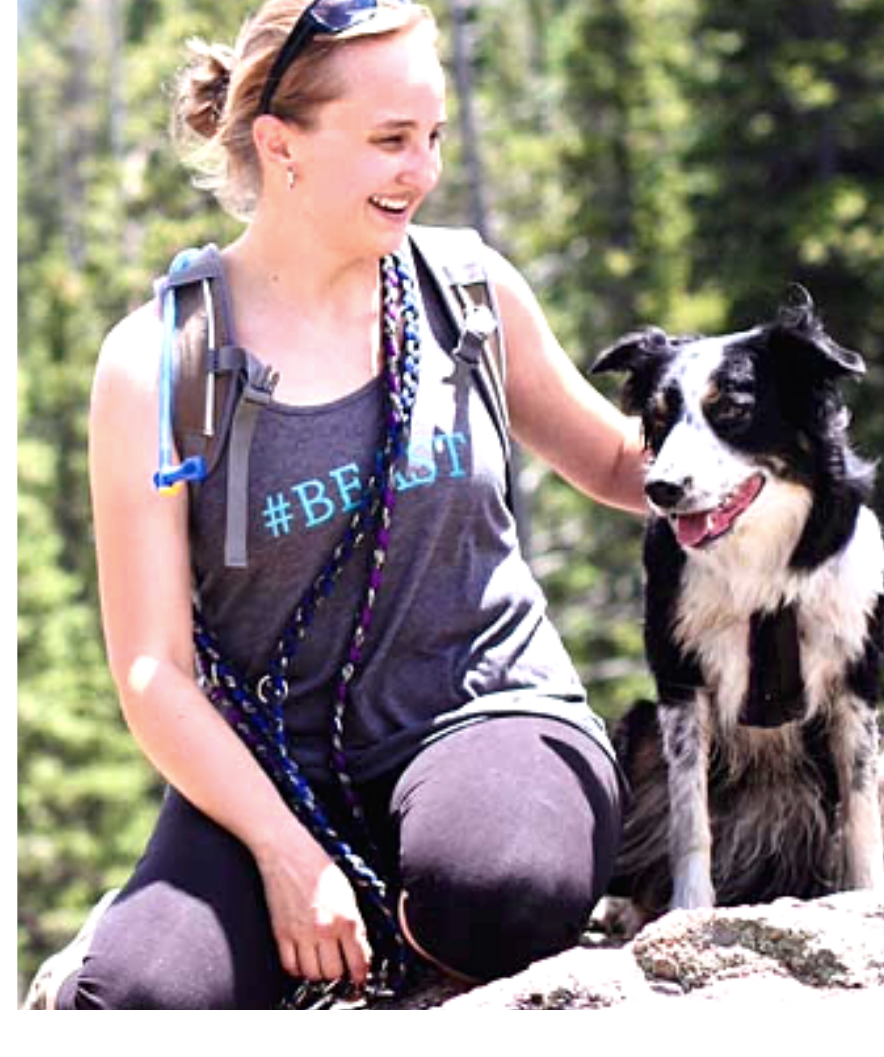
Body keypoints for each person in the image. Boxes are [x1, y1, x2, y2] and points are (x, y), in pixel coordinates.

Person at [27, 0, 649, 1010]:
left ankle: (401, 941)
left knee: (499, 891)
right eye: (391, 140)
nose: (425, 171)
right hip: (270, 759)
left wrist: (746, 434)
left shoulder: (468, 296)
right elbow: (150, 669)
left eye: (434, 135)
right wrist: (284, 852)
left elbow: (622, 468)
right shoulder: (158, 363)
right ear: (283, 146)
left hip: (483, 707)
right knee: (134, 1001)